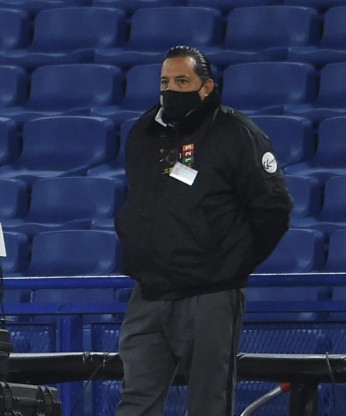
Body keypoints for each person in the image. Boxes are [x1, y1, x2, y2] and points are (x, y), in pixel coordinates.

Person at [113, 45, 293, 416]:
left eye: (182, 81)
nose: (171, 90)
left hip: (211, 293)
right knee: (134, 402)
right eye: (165, 81)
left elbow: (273, 209)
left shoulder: (236, 132)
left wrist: (229, 262)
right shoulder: (145, 133)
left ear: (206, 87)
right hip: (149, 293)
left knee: (208, 404)